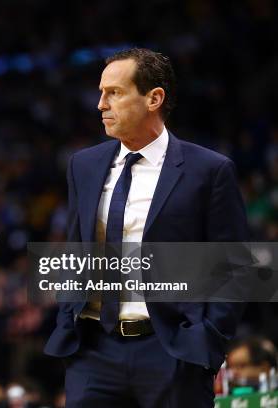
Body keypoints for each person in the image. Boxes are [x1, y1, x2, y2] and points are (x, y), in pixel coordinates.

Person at [44, 48, 249, 407]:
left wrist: (207, 339)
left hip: (171, 349)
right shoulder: (84, 165)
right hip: (94, 350)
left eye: (115, 93)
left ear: (154, 98)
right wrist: (68, 320)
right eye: (101, 92)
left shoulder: (210, 170)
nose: (101, 104)